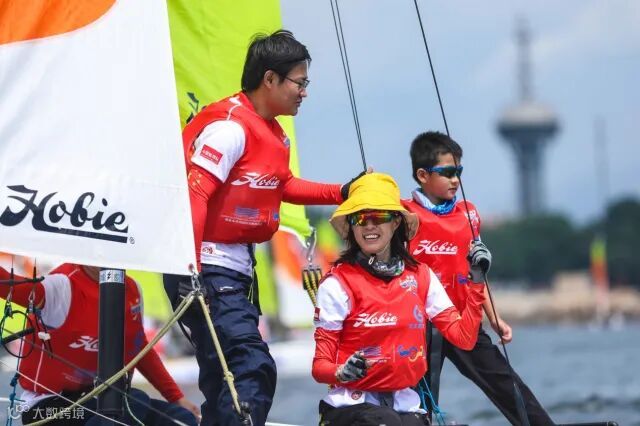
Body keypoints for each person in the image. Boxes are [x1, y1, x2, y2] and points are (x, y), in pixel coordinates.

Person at [164, 29, 361, 425]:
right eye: (299, 83)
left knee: (224, 380)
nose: (304, 92)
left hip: (234, 271)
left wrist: (343, 191)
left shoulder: (272, 133)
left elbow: (282, 186)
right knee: (250, 368)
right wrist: (190, 271)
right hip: (207, 268)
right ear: (270, 79)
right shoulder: (230, 129)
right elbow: (195, 194)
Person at [403, 131, 555, 425]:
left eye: (458, 172)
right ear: (422, 175)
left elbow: (476, 272)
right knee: (416, 402)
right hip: (420, 326)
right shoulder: (403, 214)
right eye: (447, 173)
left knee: (507, 384)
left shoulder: (469, 214)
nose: (455, 180)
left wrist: (494, 317)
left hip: (464, 318)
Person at [311, 173, 486, 426]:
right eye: (360, 218)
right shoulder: (337, 283)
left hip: (405, 403)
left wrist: (476, 281)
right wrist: (341, 371)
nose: (369, 226)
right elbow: (320, 367)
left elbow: (464, 338)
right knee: (388, 421)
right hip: (351, 406)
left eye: (379, 217)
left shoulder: (421, 276)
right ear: (352, 226)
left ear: (395, 223)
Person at [0, 263, 200, 425]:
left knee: (181, 419)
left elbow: (139, 350)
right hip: (46, 408)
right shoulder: (61, 285)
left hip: (101, 399)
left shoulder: (132, 289)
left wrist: (176, 398)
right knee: (127, 407)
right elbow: (7, 285)